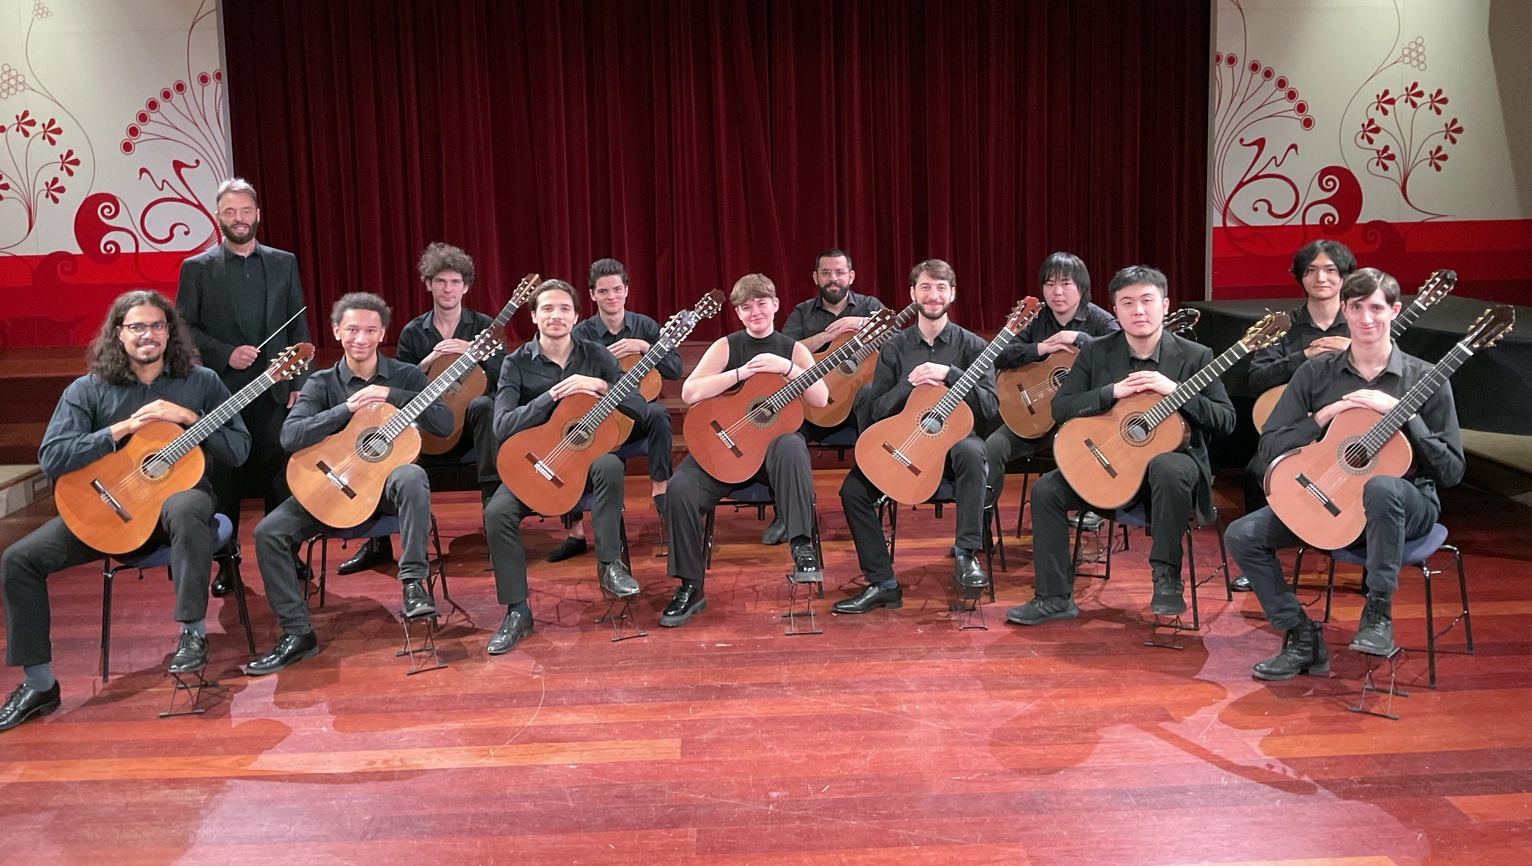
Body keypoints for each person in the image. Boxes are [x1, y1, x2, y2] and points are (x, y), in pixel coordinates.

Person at [1, 291, 251, 731]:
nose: (147, 335)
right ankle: (39, 683)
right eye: (136, 327)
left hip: (178, 514)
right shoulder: (88, 388)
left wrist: (191, 418)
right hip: (111, 510)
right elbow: (53, 457)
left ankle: (192, 634)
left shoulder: (203, 381)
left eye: (157, 325)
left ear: (170, 332)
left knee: (189, 501)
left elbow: (239, 450)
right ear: (119, 334)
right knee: (18, 560)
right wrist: (122, 429)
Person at [1224, 268, 1464, 679]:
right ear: (1344, 311)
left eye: (1376, 308)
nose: (1367, 319)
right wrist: (1323, 416)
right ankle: (1301, 636)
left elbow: (1452, 471)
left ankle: (1377, 615)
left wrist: (1406, 419)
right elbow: (1270, 445)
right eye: (1356, 308)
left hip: (1406, 506)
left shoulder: (1425, 379)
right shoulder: (1317, 373)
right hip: (1333, 499)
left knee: (1383, 486)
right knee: (1242, 535)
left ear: (1395, 311)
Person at [1005, 266, 1235, 626]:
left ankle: (1166, 579)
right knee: (1047, 489)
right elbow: (1060, 407)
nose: (1138, 311)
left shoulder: (1196, 356)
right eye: (1127, 303)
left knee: (1167, 465)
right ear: (1115, 310)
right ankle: (1053, 597)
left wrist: (1175, 392)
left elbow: (1225, 420)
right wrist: (1111, 392)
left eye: (1147, 301)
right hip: (1110, 463)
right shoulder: (1097, 352)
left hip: (1174, 475)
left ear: (1165, 305)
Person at [244, 293, 452, 676]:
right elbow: (290, 437)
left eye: (370, 330)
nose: (361, 338)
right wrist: (346, 409)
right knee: (267, 532)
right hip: (329, 491)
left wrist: (392, 395)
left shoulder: (406, 375)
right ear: (337, 331)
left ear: (382, 333)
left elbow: (443, 424)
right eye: (352, 329)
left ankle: (412, 585)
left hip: (386, 495)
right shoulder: (321, 383)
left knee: (411, 475)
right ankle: (296, 633)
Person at [481, 279, 648, 654]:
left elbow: (639, 409)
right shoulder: (516, 362)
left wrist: (604, 385)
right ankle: (517, 612)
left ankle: (609, 566)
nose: (556, 315)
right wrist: (549, 397)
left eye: (564, 309)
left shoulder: (596, 355)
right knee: (497, 513)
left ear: (576, 315)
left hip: (583, 470)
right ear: (534, 317)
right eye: (548, 309)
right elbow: (503, 424)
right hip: (536, 466)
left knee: (608, 464)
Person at [661, 274, 828, 627]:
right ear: (737, 313)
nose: (755, 312)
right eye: (746, 307)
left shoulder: (793, 350)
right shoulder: (727, 346)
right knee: (679, 489)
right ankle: (691, 586)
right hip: (725, 452)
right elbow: (691, 393)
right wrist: (738, 373)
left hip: (771, 463)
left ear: (776, 305)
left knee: (791, 444)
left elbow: (821, 398)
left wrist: (786, 368)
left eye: (762, 303)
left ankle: (801, 548)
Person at [834, 259, 998, 613]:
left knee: (971, 452)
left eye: (941, 287)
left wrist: (950, 374)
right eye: (925, 287)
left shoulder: (972, 346)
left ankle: (967, 556)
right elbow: (875, 409)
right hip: (903, 447)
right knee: (852, 491)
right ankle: (883, 583)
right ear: (913, 293)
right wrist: (909, 386)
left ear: (952, 294)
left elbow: (989, 406)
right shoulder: (894, 347)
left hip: (951, 453)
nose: (933, 294)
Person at [176, 178, 311, 598]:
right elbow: (183, 329)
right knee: (226, 481)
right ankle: (226, 562)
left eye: (245, 211)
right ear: (219, 216)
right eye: (230, 212)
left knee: (279, 473)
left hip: (275, 389)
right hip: (223, 391)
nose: (239, 219)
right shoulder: (196, 268)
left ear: (257, 215)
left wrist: (300, 382)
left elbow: (299, 323)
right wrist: (224, 353)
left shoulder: (284, 262)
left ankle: (285, 552)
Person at [385, 242, 509, 571]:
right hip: (429, 431)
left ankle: (495, 522)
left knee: (484, 405)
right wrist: (426, 362)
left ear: (466, 286)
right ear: (428, 284)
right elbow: (398, 388)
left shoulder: (485, 327)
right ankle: (386, 547)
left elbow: (504, 381)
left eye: (455, 282)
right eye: (440, 281)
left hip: (473, 431)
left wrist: (476, 353)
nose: (448, 289)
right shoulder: (414, 332)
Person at [558, 258, 681, 560]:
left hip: (634, 415)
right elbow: (565, 378)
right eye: (603, 291)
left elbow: (675, 368)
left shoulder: (645, 327)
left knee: (658, 414)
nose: (611, 297)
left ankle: (661, 491)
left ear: (626, 290)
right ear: (592, 295)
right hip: (595, 416)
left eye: (616, 289)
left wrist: (644, 347)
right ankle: (575, 533)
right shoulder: (581, 333)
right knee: (566, 429)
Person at [983, 252, 1119, 509]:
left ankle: (1094, 509)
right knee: (993, 447)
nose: (1057, 291)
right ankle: (980, 529)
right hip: (1037, 419)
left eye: (1065, 284)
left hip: (1086, 421)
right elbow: (998, 353)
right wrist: (1041, 348)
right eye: (1049, 284)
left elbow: (1121, 358)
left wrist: (1079, 338)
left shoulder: (1100, 321)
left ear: (1081, 286)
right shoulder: (1034, 318)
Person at [769, 247, 886, 544]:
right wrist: (825, 337)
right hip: (812, 407)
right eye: (826, 273)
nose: (833, 279)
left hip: (857, 410)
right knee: (783, 435)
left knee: (873, 397)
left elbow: (896, 337)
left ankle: (869, 498)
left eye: (839, 272)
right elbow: (782, 350)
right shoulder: (802, 312)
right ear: (816, 277)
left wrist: (858, 323)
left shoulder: (870, 305)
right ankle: (788, 514)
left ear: (851, 276)